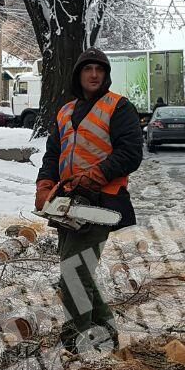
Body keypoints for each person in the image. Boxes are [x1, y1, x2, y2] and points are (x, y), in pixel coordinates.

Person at [35, 49, 143, 353]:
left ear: (106, 75)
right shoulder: (65, 111)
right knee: (77, 270)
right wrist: (44, 185)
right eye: (88, 69)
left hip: (102, 201)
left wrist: (95, 175)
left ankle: (76, 339)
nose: (93, 74)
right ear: (78, 75)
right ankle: (106, 331)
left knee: (74, 271)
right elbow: (53, 155)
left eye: (99, 69)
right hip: (68, 202)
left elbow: (131, 153)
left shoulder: (118, 107)